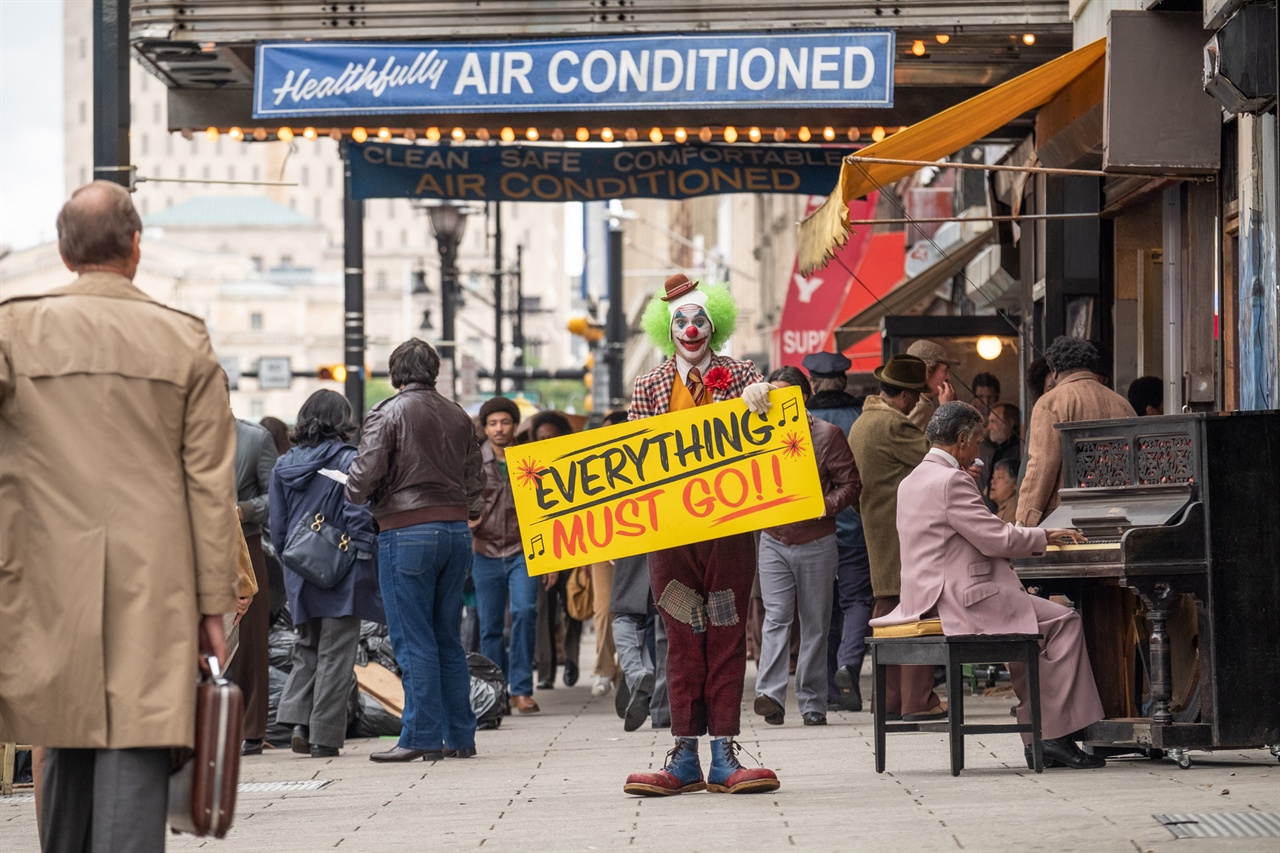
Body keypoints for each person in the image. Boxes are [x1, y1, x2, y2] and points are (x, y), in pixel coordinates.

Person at [0, 181, 239, 851]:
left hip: (43, 577)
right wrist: (215, 606)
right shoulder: (183, 338)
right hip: (152, 582)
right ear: (136, 247)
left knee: (63, 737)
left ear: (63, 250)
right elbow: (208, 489)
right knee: (135, 740)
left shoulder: (13, 328)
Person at [871, 402, 1107, 769]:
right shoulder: (951, 480)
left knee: (1029, 624)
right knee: (1064, 623)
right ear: (962, 440)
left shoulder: (912, 480)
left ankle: (1041, 733)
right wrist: (1043, 536)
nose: (978, 451)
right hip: (962, 599)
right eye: (976, 442)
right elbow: (995, 537)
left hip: (924, 597)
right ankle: (1053, 736)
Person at [623, 273, 780, 797]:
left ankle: (724, 752)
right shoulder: (647, 385)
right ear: (669, 330)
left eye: (700, 319)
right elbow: (634, 461)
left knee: (728, 629)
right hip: (671, 535)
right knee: (681, 634)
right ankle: (685, 751)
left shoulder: (742, 373)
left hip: (729, 531)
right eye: (681, 321)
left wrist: (768, 395)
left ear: (715, 323)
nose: (692, 328)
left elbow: (778, 424)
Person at [346, 338, 484, 762]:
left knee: (413, 637)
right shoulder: (459, 415)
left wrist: (355, 488)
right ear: (435, 371)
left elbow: (361, 480)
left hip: (406, 532)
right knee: (447, 636)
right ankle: (460, 734)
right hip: (456, 531)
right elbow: (475, 479)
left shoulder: (387, 413)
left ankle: (420, 735)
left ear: (395, 373)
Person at [270, 390, 382, 758]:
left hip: (300, 570)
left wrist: (294, 566)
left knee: (307, 648)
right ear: (342, 420)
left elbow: (278, 526)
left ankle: (298, 722)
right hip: (341, 570)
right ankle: (324, 735)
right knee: (336, 653)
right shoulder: (349, 460)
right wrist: (364, 551)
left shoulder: (283, 465)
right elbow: (357, 513)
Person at [753, 367, 859, 728]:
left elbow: (851, 484)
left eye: (785, 395)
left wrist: (824, 505)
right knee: (777, 617)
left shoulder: (827, 435)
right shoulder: (757, 434)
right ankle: (770, 694)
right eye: (772, 395)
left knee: (815, 623)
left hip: (816, 541)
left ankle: (813, 701)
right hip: (773, 540)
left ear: (802, 396)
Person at [847, 354, 944, 722]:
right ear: (904, 397)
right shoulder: (892, 426)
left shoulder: (864, 423)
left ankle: (890, 702)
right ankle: (917, 701)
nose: (917, 402)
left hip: (877, 526)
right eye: (916, 397)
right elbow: (939, 455)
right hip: (903, 533)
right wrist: (944, 411)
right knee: (915, 614)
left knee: (889, 615)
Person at [801, 351, 873, 713]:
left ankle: (829, 685)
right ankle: (849, 665)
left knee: (822, 610)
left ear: (812, 383)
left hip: (811, 532)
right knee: (858, 599)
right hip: (856, 526)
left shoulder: (801, 421)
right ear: (844, 382)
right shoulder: (860, 416)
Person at [470, 396, 541, 714]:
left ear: (515, 425)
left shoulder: (530, 457)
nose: (499, 429)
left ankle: (522, 689)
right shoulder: (472, 461)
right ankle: (495, 691)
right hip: (483, 551)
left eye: (505, 422)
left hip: (523, 550)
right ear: (485, 427)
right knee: (489, 625)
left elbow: (548, 505)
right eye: (493, 423)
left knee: (526, 611)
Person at [1017, 337, 1137, 527]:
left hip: (1064, 519)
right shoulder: (1122, 404)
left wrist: (1024, 520)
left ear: (1054, 371)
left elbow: (1042, 464)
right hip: (1118, 516)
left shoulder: (1050, 402)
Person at [229, 402, 279, 755]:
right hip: (191, 544)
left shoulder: (254, 438)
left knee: (250, 639)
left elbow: (274, 497)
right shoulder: (180, 434)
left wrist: (243, 510)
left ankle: (251, 729)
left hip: (244, 542)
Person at [527, 410, 584, 690]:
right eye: (541, 438)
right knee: (543, 611)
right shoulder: (528, 471)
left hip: (574, 548)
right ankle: (546, 671)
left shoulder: (577, 465)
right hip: (542, 552)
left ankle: (571, 660)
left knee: (574, 604)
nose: (546, 441)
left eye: (551, 437)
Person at [589, 409, 629, 698]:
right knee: (604, 609)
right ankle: (604, 669)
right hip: (601, 547)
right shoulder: (592, 464)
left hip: (637, 547)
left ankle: (628, 670)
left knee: (633, 610)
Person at [609, 553, 671, 732]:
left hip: (630, 535)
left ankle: (636, 672)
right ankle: (664, 709)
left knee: (626, 614)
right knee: (668, 617)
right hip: (669, 536)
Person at [905, 339, 960, 431]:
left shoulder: (923, 402)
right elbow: (933, 443)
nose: (948, 377)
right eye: (945, 370)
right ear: (928, 371)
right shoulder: (919, 407)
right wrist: (945, 409)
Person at [977, 402, 1021, 506]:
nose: (989, 427)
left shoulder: (1020, 449)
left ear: (1009, 423)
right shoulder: (991, 447)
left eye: (993, 422)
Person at [989, 457, 1020, 524]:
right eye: (993, 477)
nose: (992, 481)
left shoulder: (1014, 508)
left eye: (999, 477)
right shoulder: (1003, 508)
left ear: (1015, 484)